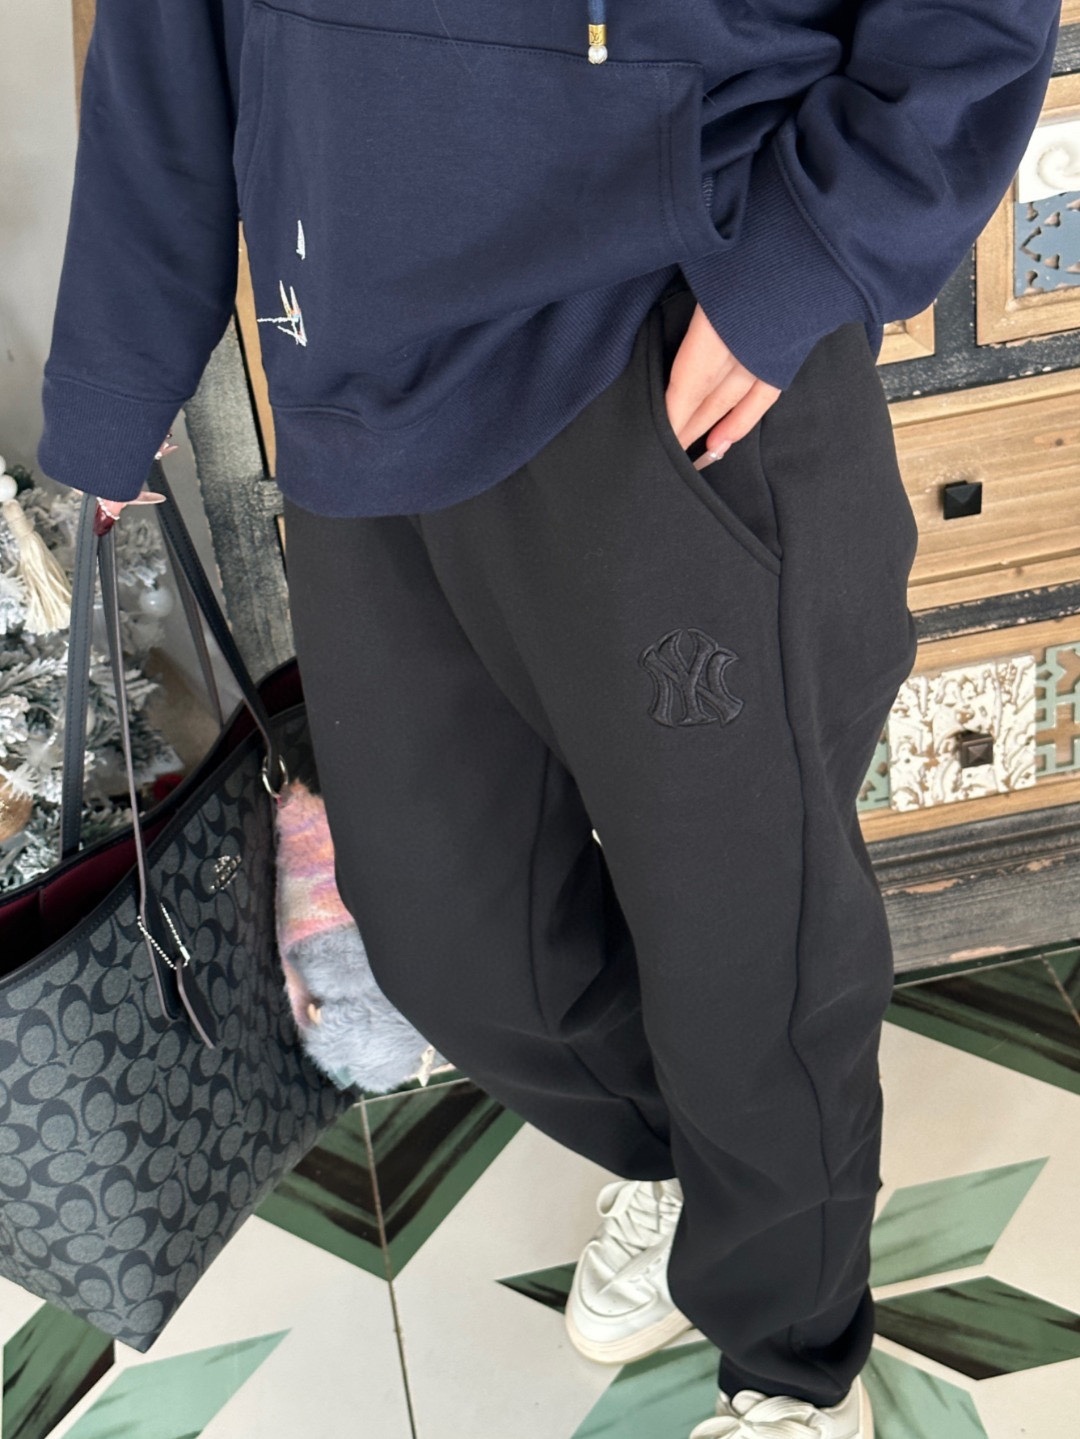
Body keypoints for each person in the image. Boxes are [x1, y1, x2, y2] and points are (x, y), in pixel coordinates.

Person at [40, 2, 1062, 1433]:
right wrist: (119, 356)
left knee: (746, 951)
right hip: (355, 353)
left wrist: (804, 256)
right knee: (451, 939)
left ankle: (789, 1356)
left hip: (666, 321)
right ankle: (703, 1170)